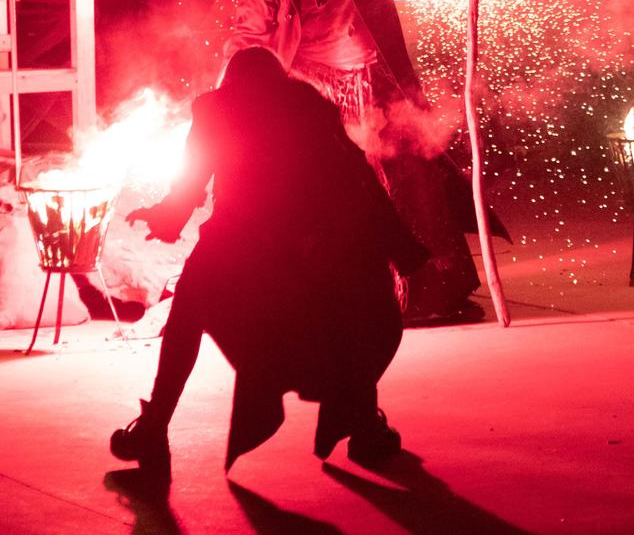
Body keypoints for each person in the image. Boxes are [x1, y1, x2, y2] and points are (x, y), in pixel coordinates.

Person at [109, 47, 429, 484]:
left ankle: (153, 427)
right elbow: (360, 178)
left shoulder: (216, 107)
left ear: (231, 81)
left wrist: (166, 218)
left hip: (243, 247)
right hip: (319, 247)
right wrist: (400, 247)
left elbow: (191, 178)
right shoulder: (311, 104)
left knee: (188, 308)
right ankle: (366, 427)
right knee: (348, 317)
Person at [228, 0, 487, 324]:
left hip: (377, 78)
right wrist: (232, 99)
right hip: (311, 90)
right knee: (331, 191)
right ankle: (339, 293)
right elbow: (250, 38)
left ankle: (430, 296)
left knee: (413, 182)